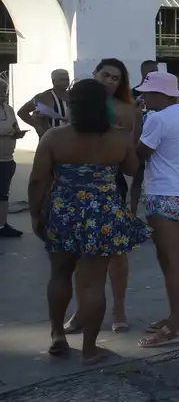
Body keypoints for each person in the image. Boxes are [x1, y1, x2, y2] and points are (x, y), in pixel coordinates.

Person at [27, 79, 150, 365]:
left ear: (73, 105)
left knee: (59, 274)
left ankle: (58, 334)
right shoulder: (118, 138)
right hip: (103, 214)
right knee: (93, 284)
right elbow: (133, 169)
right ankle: (90, 349)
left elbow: (37, 180)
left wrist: (36, 215)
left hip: (64, 211)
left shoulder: (54, 137)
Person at [134, 71, 179, 348]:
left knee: (171, 260)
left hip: (162, 194)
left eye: (148, 93)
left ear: (162, 94)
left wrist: (136, 124)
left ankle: (176, 327)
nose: (143, 97)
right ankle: (176, 316)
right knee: (174, 259)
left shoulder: (157, 119)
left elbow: (139, 154)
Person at [0, 81, 27, 237]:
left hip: (7, 159)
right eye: (0, 91)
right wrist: (4, 134)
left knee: (3, 194)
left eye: (4, 90)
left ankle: (2, 225)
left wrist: (17, 133)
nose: (3, 94)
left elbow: (14, 127)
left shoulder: (8, 109)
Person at [18, 68, 71, 137]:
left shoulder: (73, 95)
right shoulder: (43, 97)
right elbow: (22, 112)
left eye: (67, 79)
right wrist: (37, 126)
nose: (66, 82)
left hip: (70, 137)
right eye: (62, 80)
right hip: (50, 137)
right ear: (53, 81)